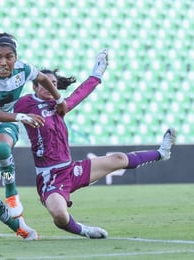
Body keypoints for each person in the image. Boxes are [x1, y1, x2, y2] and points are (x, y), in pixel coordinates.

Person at [14, 49, 177, 239]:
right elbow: (4, 108)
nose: (52, 88)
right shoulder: (25, 103)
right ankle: (84, 230)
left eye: (55, 84)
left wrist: (97, 73)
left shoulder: (60, 106)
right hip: (49, 176)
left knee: (118, 159)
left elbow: (81, 93)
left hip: (70, 169)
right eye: (47, 84)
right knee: (59, 215)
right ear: (35, 86)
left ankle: (162, 152)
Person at [0, 32, 67, 240]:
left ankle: (11, 193)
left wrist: (59, 99)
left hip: (3, 124)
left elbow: (44, 79)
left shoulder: (24, 69)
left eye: (8, 57)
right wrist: (21, 116)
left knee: (1, 149)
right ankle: (19, 227)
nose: (2, 62)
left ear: (15, 58)